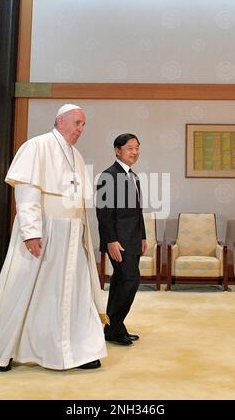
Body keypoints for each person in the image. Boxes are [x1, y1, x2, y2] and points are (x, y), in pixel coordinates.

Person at [0, 103, 108, 371]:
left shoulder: (75, 155)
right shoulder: (36, 146)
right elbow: (27, 193)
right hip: (46, 230)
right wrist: (31, 232)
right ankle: (5, 352)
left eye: (83, 125)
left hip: (73, 234)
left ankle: (78, 351)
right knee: (29, 290)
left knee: (74, 293)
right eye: (77, 123)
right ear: (60, 121)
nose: (80, 129)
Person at [96, 134, 147, 346]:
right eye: (129, 148)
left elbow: (138, 212)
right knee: (130, 281)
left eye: (137, 148)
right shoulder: (108, 176)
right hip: (118, 241)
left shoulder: (133, 176)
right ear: (117, 150)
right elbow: (103, 212)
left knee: (119, 283)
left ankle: (114, 326)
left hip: (133, 239)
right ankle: (114, 328)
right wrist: (110, 240)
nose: (134, 152)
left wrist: (143, 236)